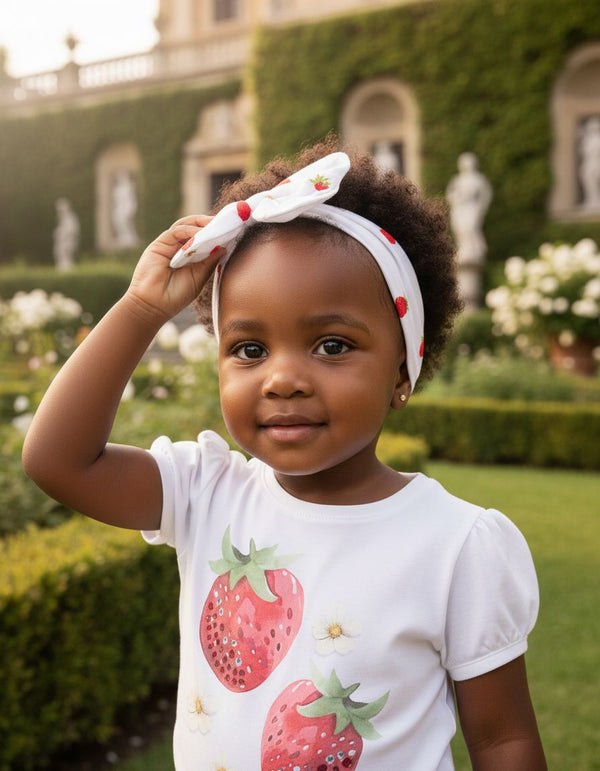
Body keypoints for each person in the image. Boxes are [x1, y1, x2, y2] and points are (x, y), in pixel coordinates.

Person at [23, 138, 546, 770]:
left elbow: (503, 740)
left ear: (403, 372)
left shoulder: (459, 544)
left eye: (331, 345)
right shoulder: (207, 493)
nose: (282, 379)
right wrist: (141, 308)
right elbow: (58, 461)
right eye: (249, 350)